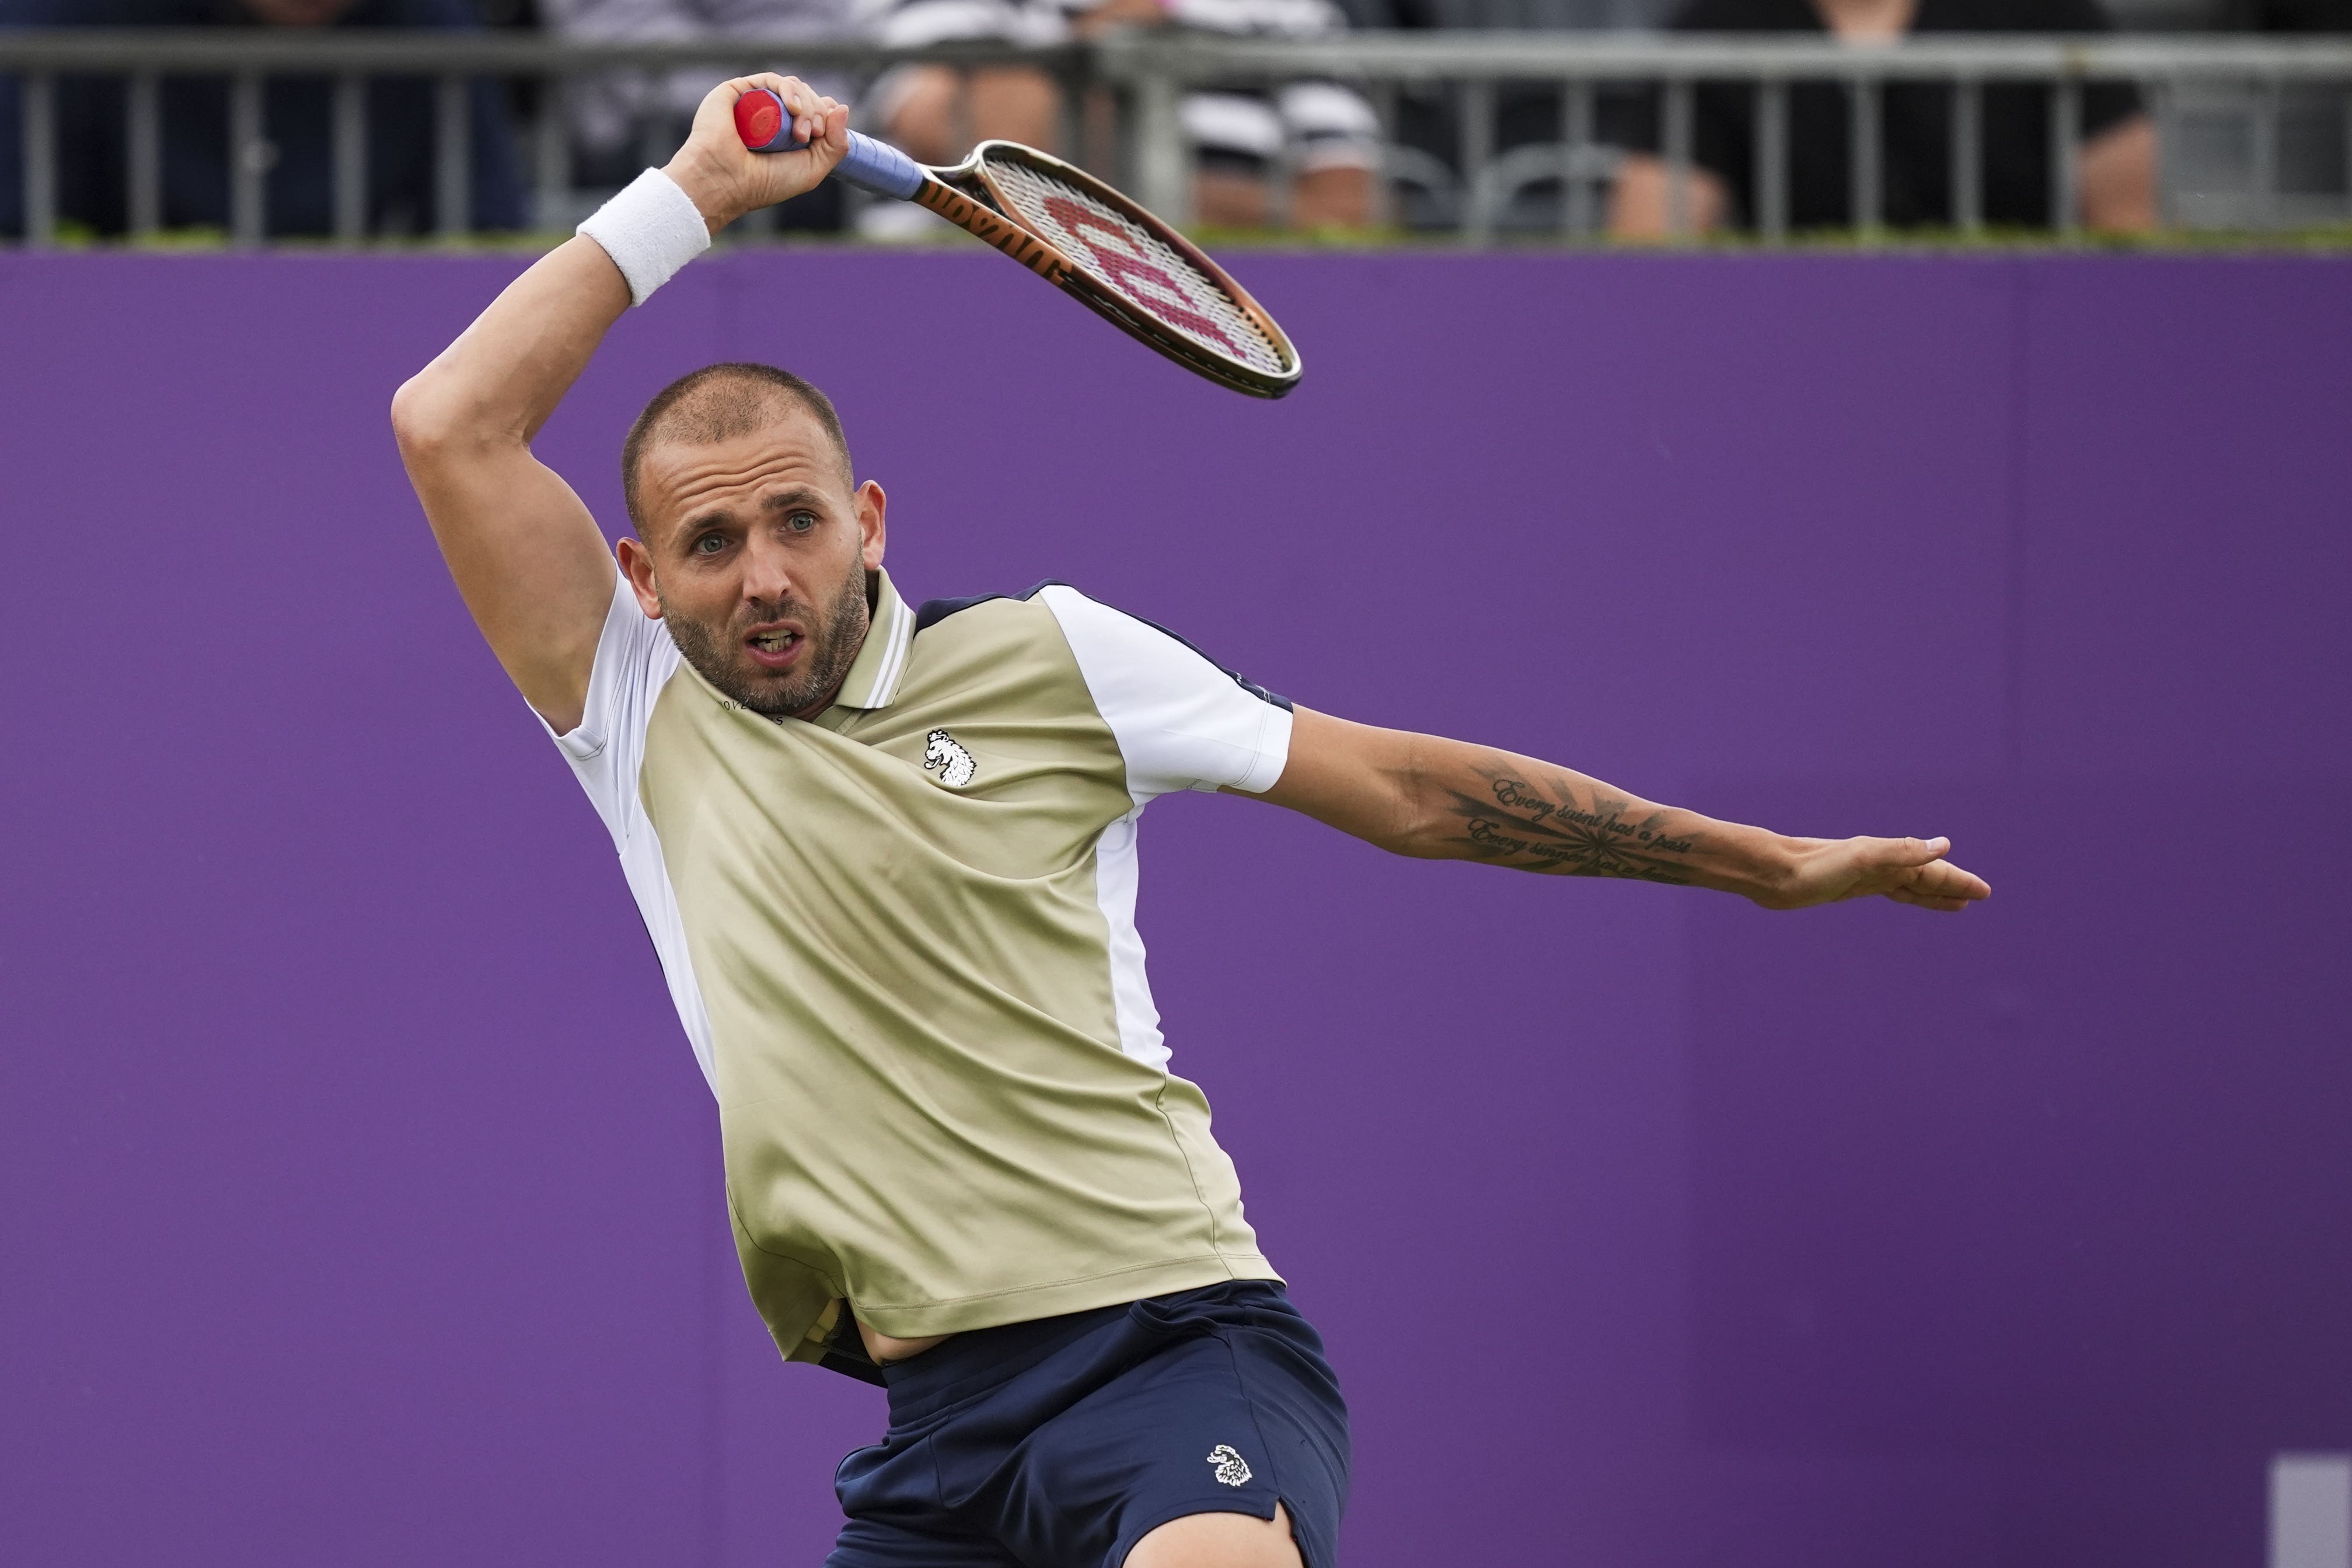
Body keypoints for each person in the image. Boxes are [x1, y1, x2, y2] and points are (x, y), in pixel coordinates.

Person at [390, 75, 1990, 1567]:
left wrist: (1761, 861)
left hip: (1169, 1348)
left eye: (797, 520)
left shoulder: (1053, 656)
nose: (762, 574)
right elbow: (448, 421)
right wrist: (694, 190)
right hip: (930, 1433)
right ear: (639, 573)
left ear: (867, 521)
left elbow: (1408, 791)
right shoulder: (631, 708)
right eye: (713, 538)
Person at [1607, 0, 2159, 237]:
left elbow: (2130, 225)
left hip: (2013, 349)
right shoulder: (1716, 28)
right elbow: (1649, 240)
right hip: (1800, 354)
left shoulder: (2043, 13)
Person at [0, 0, 524, 240]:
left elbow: (486, 225)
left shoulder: (437, 27)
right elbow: (20, 231)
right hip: (115, 335)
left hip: (348, 335)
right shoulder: (58, 22)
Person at [861, 0, 1381, 229]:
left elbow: (1346, 210)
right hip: (980, 293)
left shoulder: (1290, 10)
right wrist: (1102, 44)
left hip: (1204, 319)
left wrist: (1136, 211)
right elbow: (958, 135)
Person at [538, 0, 854, 229]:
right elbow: (616, 21)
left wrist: (791, 104)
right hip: (640, 131)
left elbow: (810, 23)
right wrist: (743, 98)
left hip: (795, 122)